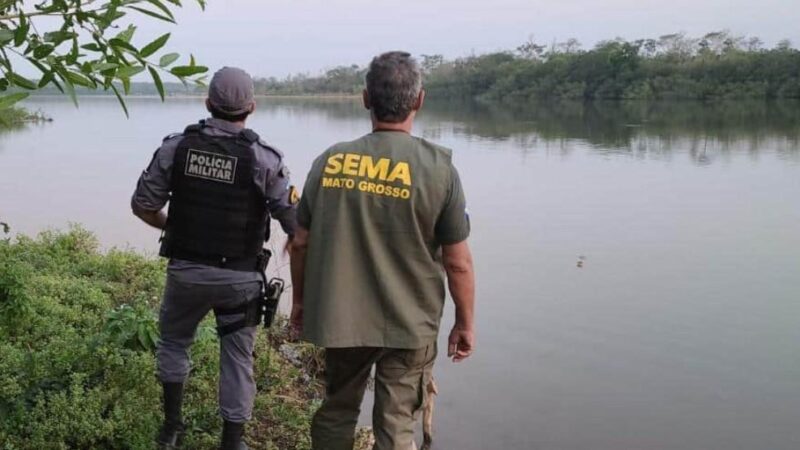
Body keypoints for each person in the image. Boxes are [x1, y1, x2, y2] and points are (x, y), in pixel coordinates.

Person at [290, 51, 476, 450]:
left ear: (365, 99)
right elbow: (458, 263)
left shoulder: (330, 161)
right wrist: (465, 322)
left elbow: (300, 241)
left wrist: (301, 302)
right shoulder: (439, 169)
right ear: (419, 100)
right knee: (397, 424)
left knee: (337, 409)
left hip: (342, 317)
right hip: (411, 322)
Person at [131, 67, 298, 450]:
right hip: (240, 279)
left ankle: (171, 429)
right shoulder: (264, 158)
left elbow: (143, 205)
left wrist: (173, 228)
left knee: (174, 344)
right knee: (237, 358)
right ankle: (232, 442)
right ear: (251, 107)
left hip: (186, 274)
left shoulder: (176, 148)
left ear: (207, 103)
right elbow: (294, 223)